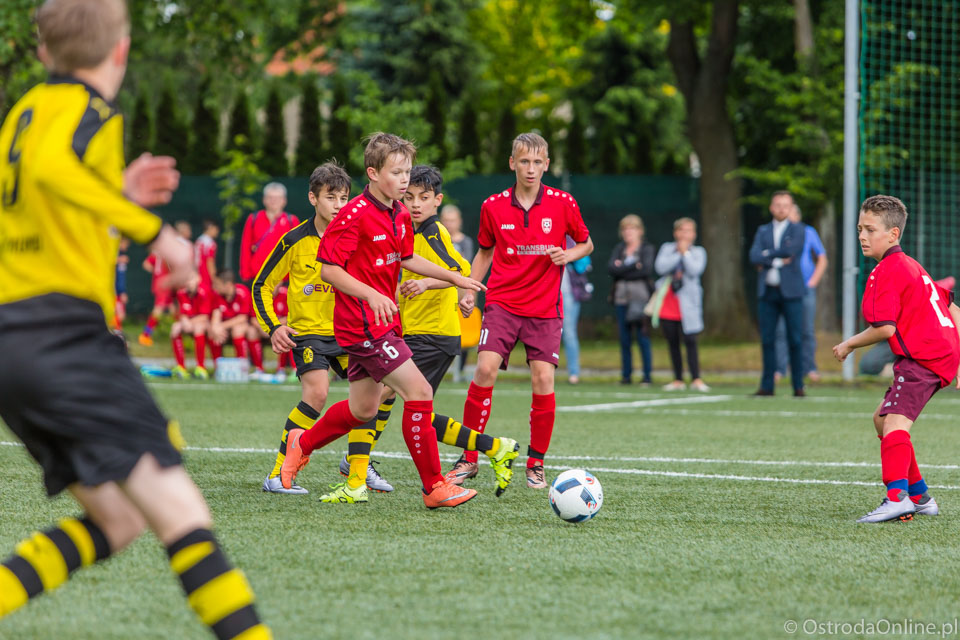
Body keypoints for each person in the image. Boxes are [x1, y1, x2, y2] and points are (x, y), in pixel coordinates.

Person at [0, 2, 271, 637]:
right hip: (65, 338)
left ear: (42, 51)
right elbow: (52, 172)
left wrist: (114, 194)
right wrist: (159, 235)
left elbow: (40, 195)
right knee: (182, 510)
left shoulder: (23, 114)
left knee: (119, 521)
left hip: (15, 340)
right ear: (121, 51)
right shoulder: (92, 110)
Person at [280, 133, 520, 507]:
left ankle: (302, 443)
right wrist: (371, 293)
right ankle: (434, 487)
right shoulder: (354, 215)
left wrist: (452, 277)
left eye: (407, 171)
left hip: (382, 324)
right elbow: (328, 270)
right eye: (397, 172)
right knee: (420, 392)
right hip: (361, 325)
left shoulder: (397, 214)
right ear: (373, 173)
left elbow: (406, 258)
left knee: (364, 409)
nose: (405, 179)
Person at [451, 132, 593, 490]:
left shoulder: (563, 203)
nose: (531, 169)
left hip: (545, 309)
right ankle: (469, 458)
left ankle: (536, 463)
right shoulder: (493, 206)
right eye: (524, 161)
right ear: (512, 163)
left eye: (538, 162)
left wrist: (569, 254)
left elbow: (586, 242)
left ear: (547, 165)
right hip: (502, 303)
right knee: (484, 369)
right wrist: (469, 288)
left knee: (543, 379)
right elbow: (484, 252)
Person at [253, 161, 395, 496]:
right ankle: (278, 474)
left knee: (378, 392)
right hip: (310, 335)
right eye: (331, 198)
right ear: (313, 198)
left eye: (344, 198)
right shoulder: (294, 240)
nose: (339, 206)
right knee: (316, 394)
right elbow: (261, 285)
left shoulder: (356, 236)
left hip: (351, 332)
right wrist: (273, 327)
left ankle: (357, 468)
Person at [832, 195, 960, 523]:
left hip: (925, 357)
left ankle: (897, 497)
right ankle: (920, 496)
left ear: (893, 235)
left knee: (894, 424)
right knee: (881, 418)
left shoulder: (888, 269)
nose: (862, 235)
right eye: (860, 228)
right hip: (939, 354)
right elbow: (952, 308)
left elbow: (885, 328)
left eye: (870, 229)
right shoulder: (912, 265)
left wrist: (848, 344)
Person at [748, 191, 807, 397]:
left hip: (791, 293)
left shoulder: (799, 229)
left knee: (795, 339)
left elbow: (792, 251)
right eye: (778, 205)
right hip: (768, 293)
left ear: (791, 208)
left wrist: (767, 255)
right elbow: (754, 256)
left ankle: (798, 385)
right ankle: (767, 386)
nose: (782, 208)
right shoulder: (762, 231)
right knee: (767, 339)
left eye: (786, 205)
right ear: (772, 208)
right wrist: (775, 259)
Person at [774, 204, 827, 383]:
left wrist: (813, 281)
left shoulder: (808, 231)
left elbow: (822, 258)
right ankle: (780, 369)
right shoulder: (778, 233)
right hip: (783, 288)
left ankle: (809, 368)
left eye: (791, 213)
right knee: (781, 330)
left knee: (806, 330)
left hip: (804, 289)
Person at [654, 217, 708, 392]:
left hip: (688, 303)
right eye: (681, 230)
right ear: (675, 232)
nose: (685, 234)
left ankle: (696, 378)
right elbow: (660, 268)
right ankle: (677, 378)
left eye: (689, 231)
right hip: (669, 301)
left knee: (690, 340)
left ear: (694, 234)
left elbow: (694, 270)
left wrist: (685, 253)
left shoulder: (699, 251)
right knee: (673, 340)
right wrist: (678, 253)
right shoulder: (667, 249)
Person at [608, 214, 655, 386]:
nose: (628, 232)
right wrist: (634, 265)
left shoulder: (646, 248)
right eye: (625, 229)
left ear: (640, 231)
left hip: (640, 298)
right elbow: (612, 269)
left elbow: (646, 270)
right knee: (624, 339)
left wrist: (623, 268)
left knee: (642, 337)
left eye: (632, 228)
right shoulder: (619, 249)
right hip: (621, 298)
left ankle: (647, 376)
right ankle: (626, 375)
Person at [440, 204, 475, 382]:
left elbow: (466, 269)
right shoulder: (436, 239)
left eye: (452, 220)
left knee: (465, 328)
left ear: (459, 222)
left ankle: (459, 368)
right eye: (446, 220)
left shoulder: (465, 242)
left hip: (458, 290)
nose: (449, 224)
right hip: (438, 289)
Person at [239, 183, 299, 282]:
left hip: (283, 280)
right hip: (256, 277)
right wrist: (245, 275)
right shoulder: (253, 218)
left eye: (277, 198)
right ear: (264, 200)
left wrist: (291, 277)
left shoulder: (292, 220)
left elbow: (296, 251)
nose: (273, 201)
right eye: (270, 197)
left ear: (284, 201)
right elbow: (245, 247)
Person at [171, 274, 214, 379]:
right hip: (189, 322)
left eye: (191, 279)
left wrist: (189, 322)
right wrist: (184, 321)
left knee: (198, 328)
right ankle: (181, 367)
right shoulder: (181, 293)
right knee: (175, 328)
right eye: (186, 280)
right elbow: (182, 313)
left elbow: (204, 316)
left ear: (198, 279)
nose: (188, 283)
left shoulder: (204, 292)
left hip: (205, 323)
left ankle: (201, 367)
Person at [209, 269, 256, 363]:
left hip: (242, 326)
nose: (215, 288)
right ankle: (218, 366)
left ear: (228, 285)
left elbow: (242, 318)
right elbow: (216, 314)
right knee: (212, 331)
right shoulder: (217, 295)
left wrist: (221, 326)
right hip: (225, 329)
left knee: (238, 329)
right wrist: (215, 327)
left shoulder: (242, 292)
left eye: (217, 285)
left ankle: (242, 365)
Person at [560, 247, 591, 385]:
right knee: (541, 332)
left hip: (568, 295)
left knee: (569, 333)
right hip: (545, 293)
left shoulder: (572, 242)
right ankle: (542, 371)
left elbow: (583, 265)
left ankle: (574, 372)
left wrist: (566, 255)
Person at [138, 249, 174, 346]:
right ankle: (145, 335)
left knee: (172, 308)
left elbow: (146, 264)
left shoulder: (157, 253)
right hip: (164, 284)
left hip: (162, 283)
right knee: (159, 309)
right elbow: (146, 264)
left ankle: (177, 335)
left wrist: (156, 272)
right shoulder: (168, 252)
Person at [195, 219, 220, 291]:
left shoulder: (199, 240)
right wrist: (214, 279)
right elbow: (210, 262)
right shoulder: (210, 243)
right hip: (206, 276)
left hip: (197, 274)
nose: (217, 231)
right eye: (216, 229)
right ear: (210, 228)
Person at [114, 236, 130, 331]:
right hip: (114, 290)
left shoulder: (122, 255)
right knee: (119, 314)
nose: (126, 247)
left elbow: (121, 277)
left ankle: (116, 331)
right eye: (125, 244)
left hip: (119, 290)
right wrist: (121, 291)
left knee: (121, 314)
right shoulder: (114, 253)